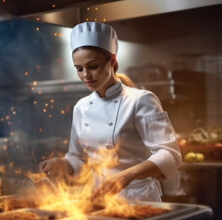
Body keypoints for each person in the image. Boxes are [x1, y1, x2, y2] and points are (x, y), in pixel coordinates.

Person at [38, 22, 181, 202]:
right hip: (99, 198)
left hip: (139, 198)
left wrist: (127, 176)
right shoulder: (81, 107)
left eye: (93, 66)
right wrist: (63, 164)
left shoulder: (141, 99)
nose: (85, 76)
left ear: (112, 61)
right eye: (79, 69)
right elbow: (79, 158)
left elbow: (170, 154)